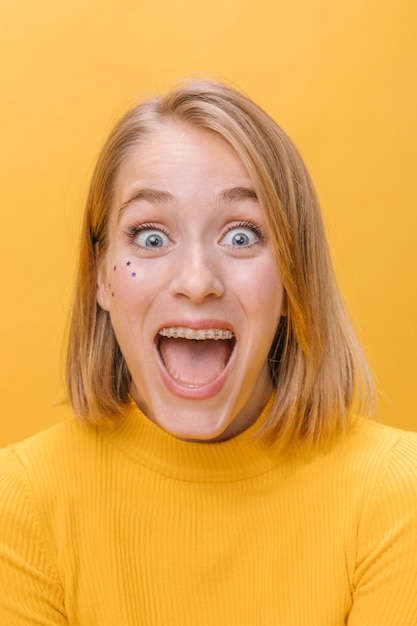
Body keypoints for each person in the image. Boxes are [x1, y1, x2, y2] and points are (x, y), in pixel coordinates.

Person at [1, 79, 416, 625]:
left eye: (242, 236)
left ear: (293, 280)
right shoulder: (22, 500)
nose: (197, 282)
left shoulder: (396, 494)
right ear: (101, 277)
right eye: (151, 237)